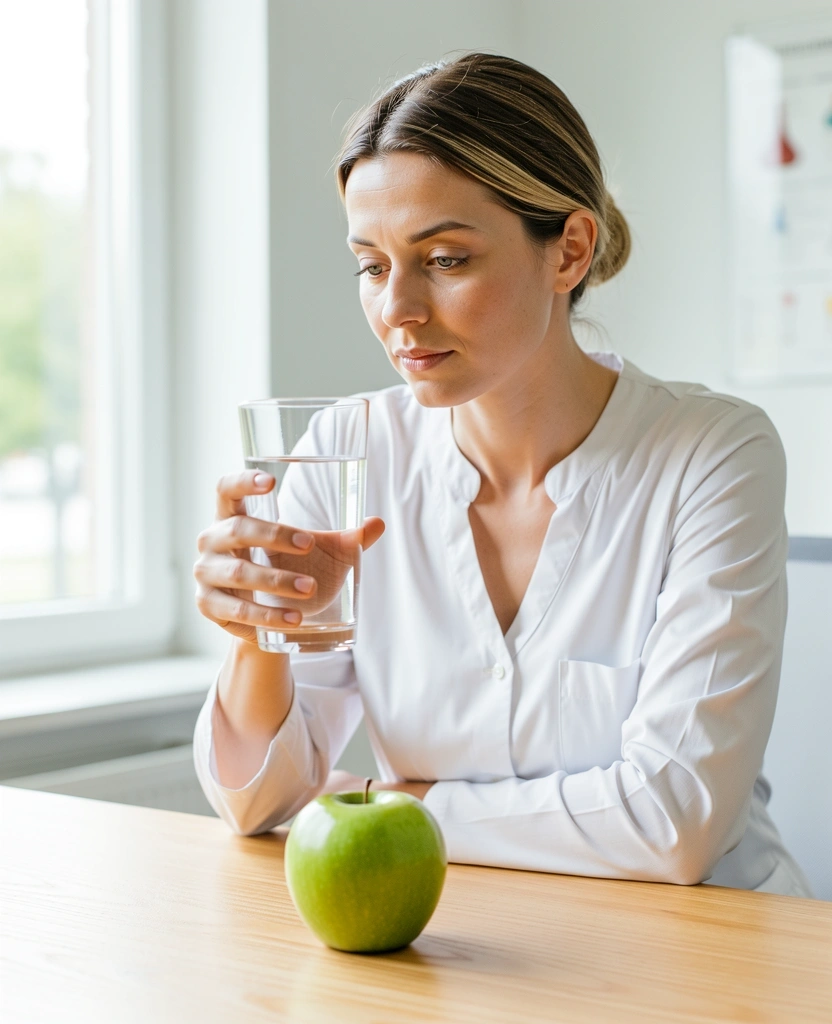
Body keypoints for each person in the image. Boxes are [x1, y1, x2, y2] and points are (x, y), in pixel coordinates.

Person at [192, 53, 812, 896]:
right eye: (371, 266)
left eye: (445, 259)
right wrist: (256, 634)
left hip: (710, 955)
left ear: (569, 251)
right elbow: (259, 804)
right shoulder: (344, 453)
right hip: (465, 948)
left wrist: (386, 801)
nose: (397, 309)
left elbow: (677, 822)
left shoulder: (711, 455)